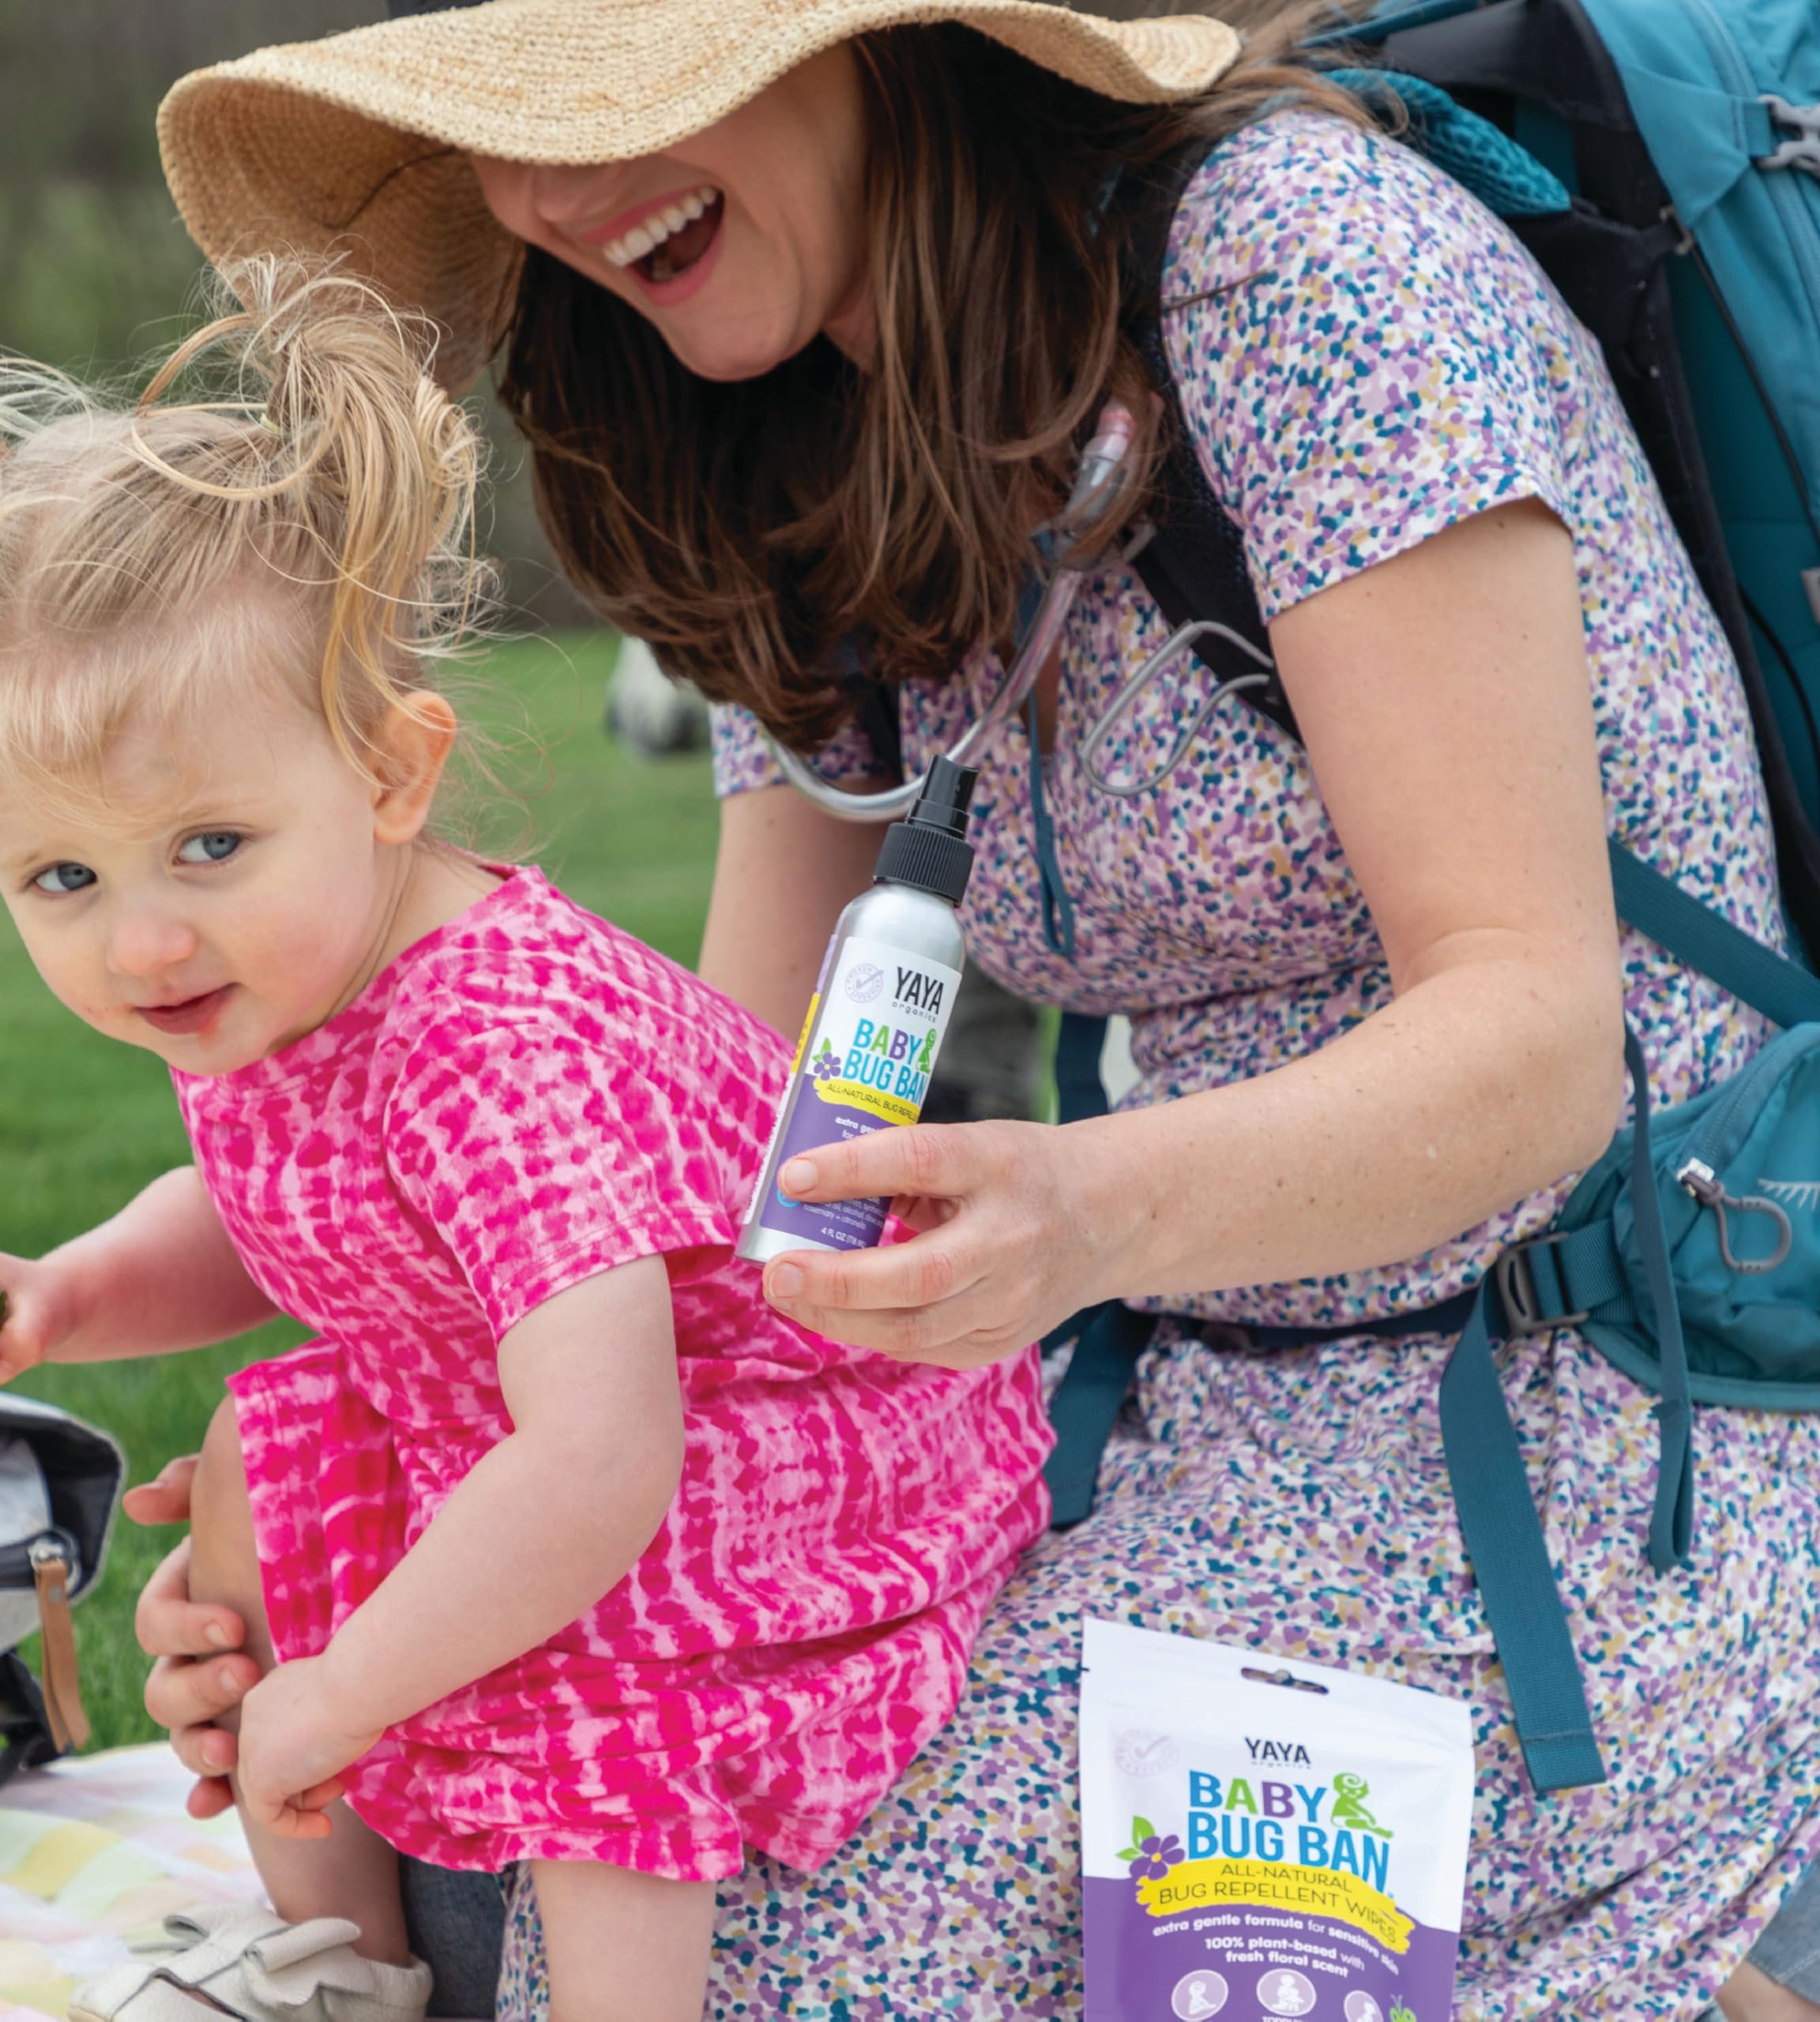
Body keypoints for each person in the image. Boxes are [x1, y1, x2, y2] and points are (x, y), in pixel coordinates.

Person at [137, 2, 1820, 2016]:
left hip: (1576, 1411)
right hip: (1168, 1381)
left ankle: (1702, 1928)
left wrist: (1082, 1208)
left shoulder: (1293, 266)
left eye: (655, 86)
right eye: (511, 118)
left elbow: (1539, 1038)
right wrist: (360, 1537)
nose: (570, 190)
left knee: (732, 1941)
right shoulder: (790, 416)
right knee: (497, 1813)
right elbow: (735, 1134)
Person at [0, 259, 1051, 2022]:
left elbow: (609, 1457)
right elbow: (262, 1212)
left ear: (392, 775)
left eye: (208, 845)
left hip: (746, 1434)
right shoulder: (264, 976)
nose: (142, 939)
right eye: (62, 879)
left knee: (610, 1684)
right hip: (531, 1401)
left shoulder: (489, 1045)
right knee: (263, 1455)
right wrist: (67, 1294)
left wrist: (349, 1686)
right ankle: (346, 1965)